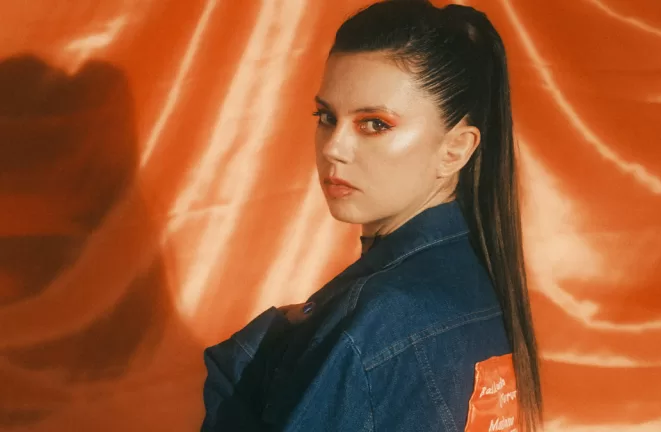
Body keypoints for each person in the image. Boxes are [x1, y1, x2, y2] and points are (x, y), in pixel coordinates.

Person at [201, 0, 542, 430]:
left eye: (375, 124)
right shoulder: (482, 278)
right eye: (326, 117)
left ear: (455, 149)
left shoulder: (371, 323)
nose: (333, 148)